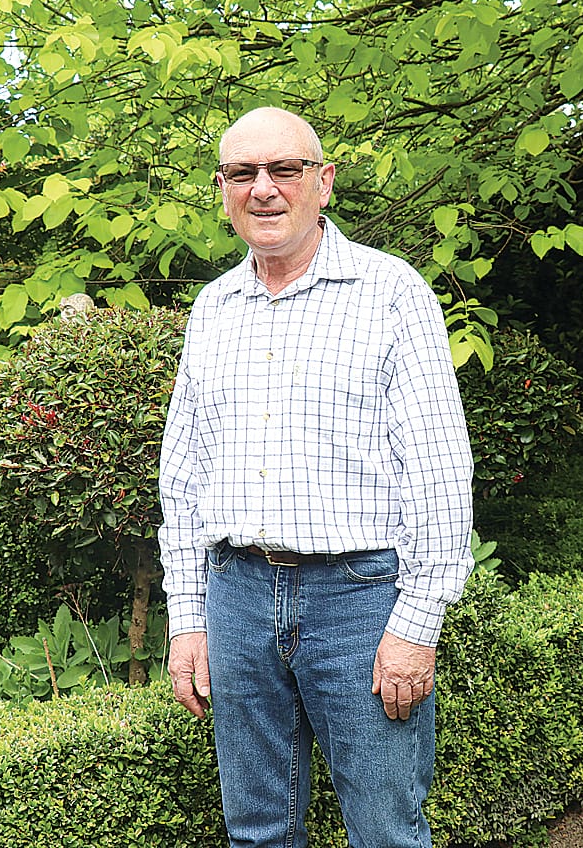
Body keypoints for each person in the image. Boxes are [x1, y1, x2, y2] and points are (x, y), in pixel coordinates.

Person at [156, 106, 475, 848]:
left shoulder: (390, 292)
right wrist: (189, 617)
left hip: (360, 602)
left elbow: (439, 470)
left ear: (323, 182)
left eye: (284, 170)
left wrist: (416, 626)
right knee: (257, 830)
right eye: (243, 174)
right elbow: (185, 476)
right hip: (236, 597)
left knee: (385, 832)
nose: (263, 189)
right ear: (224, 189)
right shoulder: (215, 308)